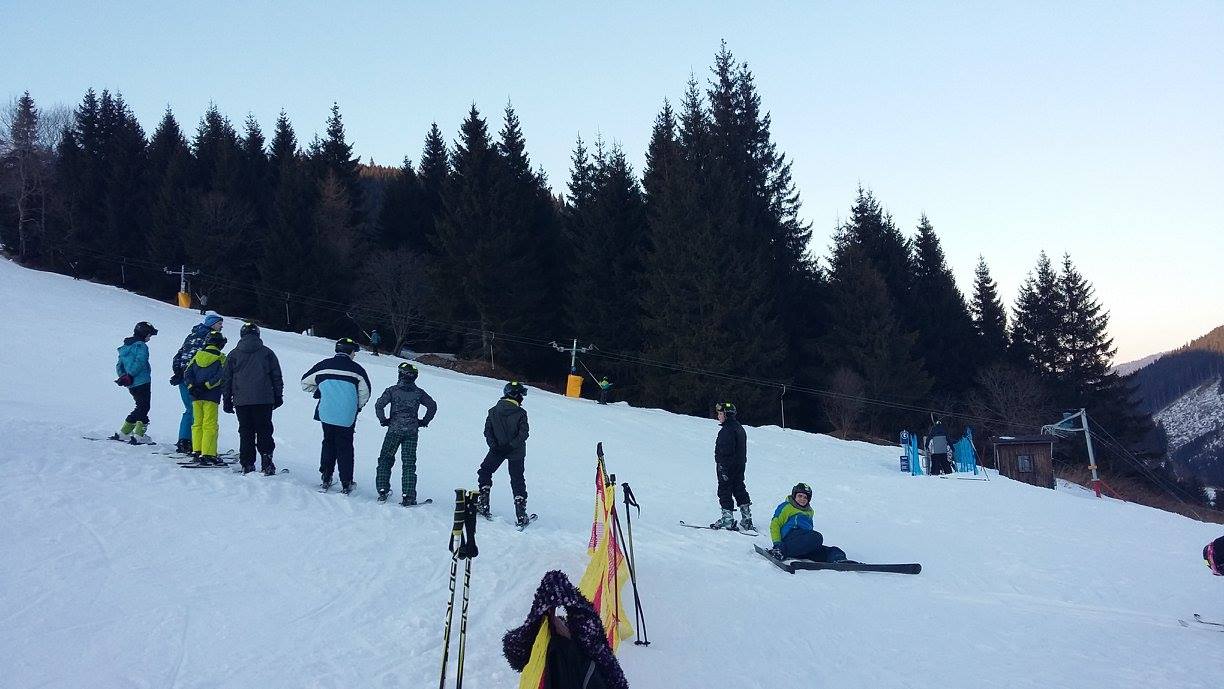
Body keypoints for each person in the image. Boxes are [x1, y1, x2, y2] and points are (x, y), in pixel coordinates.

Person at [301, 337, 371, 494]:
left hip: (326, 413)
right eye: (354, 352)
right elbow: (365, 393)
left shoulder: (323, 366)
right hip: (347, 415)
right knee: (345, 446)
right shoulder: (357, 370)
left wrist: (321, 391)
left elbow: (305, 383)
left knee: (328, 442)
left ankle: (326, 477)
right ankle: (346, 482)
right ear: (350, 352)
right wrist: (356, 406)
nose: (355, 355)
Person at [222, 322, 283, 475]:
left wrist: (227, 399)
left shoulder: (233, 354)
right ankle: (267, 461)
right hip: (264, 399)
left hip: (241, 400)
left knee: (245, 431)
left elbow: (227, 378)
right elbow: (276, 376)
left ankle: (247, 463)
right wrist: (278, 395)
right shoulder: (267, 353)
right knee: (264, 429)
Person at [374, 362, 438, 505]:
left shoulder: (392, 390)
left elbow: (379, 405)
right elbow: (432, 406)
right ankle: (408, 495)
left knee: (385, 459)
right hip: (411, 431)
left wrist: (383, 420)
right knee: (409, 463)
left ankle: (382, 489)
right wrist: (424, 421)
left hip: (394, 430)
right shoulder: (419, 393)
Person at [477, 381, 531, 526]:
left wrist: (494, 446)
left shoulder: (493, 411)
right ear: (516, 396)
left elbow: (487, 431)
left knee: (485, 471)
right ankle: (521, 514)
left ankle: (483, 503)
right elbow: (524, 433)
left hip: (497, 450)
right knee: (517, 479)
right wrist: (511, 446)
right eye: (521, 395)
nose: (522, 398)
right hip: (516, 451)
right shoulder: (521, 413)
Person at [171, 312, 224, 454]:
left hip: (185, 377)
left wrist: (178, 371)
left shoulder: (191, 336)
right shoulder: (209, 338)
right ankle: (197, 444)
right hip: (200, 380)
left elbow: (179, 354)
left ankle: (184, 439)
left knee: (189, 409)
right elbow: (203, 359)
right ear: (212, 324)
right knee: (199, 412)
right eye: (219, 324)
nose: (221, 327)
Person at [767, 483, 847, 563]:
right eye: (800, 496)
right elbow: (775, 524)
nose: (802, 499)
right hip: (790, 539)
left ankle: (839, 559)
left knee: (832, 550)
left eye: (805, 497)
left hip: (803, 544)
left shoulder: (809, 511)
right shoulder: (787, 507)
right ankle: (780, 552)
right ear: (794, 496)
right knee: (816, 537)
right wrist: (777, 544)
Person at [183, 331, 228, 465]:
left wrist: (191, 386)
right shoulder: (221, 358)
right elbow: (221, 376)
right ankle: (208, 453)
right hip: (211, 396)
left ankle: (197, 450)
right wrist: (207, 385)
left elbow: (187, 373)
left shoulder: (197, 356)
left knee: (197, 423)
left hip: (195, 396)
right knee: (210, 424)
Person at [112, 321, 158, 444]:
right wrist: (130, 375)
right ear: (144, 334)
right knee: (144, 407)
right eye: (149, 335)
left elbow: (119, 365)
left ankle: (125, 432)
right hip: (142, 381)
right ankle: (138, 435)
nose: (149, 338)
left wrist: (124, 376)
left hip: (131, 383)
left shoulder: (125, 347)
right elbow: (140, 361)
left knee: (140, 406)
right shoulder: (141, 346)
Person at [709, 401, 752, 531]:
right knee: (739, 488)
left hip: (727, 466)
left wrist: (723, 467)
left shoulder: (727, 430)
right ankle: (747, 518)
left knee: (724, 490)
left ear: (726, 415)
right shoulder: (739, 428)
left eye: (720, 413)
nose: (718, 416)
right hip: (739, 465)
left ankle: (727, 519)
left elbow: (725, 451)